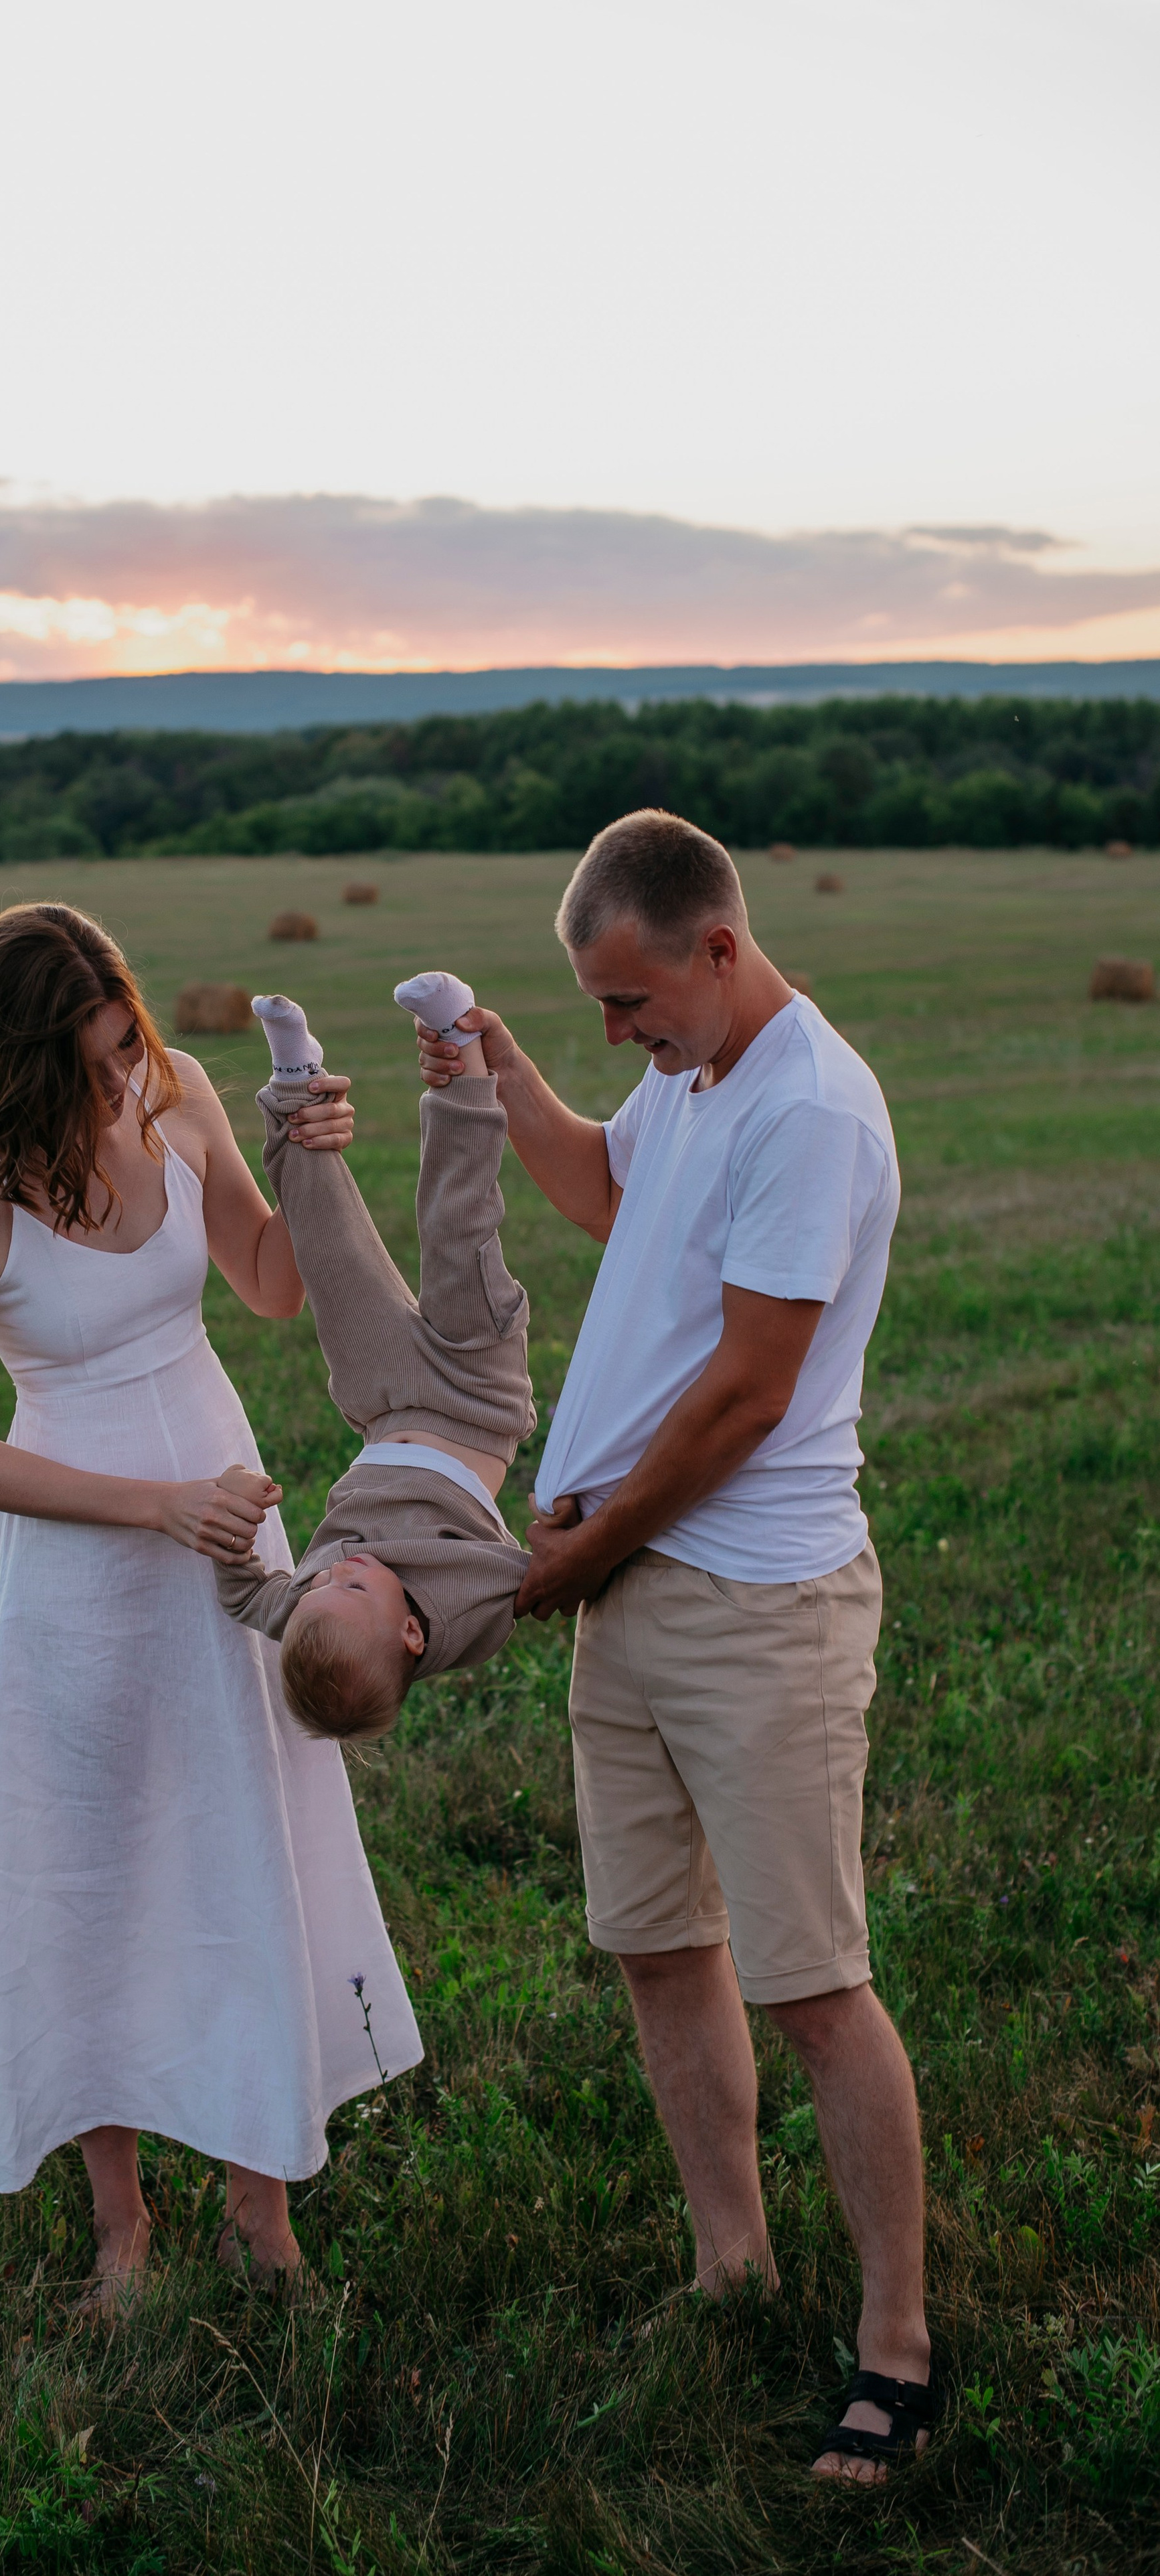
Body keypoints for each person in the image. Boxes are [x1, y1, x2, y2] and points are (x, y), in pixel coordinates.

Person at [418, 812, 930, 2484]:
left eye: (629, 1005)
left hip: (748, 1602)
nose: (615, 1036)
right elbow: (598, 1179)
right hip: (626, 1583)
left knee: (809, 1981)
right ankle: (730, 2263)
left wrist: (575, 1559)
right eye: (592, 1010)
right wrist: (494, 1062)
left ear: (716, 946)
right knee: (655, 1944)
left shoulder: (806, 1107)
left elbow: (742, 1394)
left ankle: (893, 2345)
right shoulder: (694, 1078)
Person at [0, 902, 420, 2316]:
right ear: (16, 1067)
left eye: (126, 1038)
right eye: (89, 1059)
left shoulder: (177, 1091)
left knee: (239, 1834)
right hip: (78, 1566)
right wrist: (149, 1507)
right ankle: (120, 2228)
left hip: (231, 1529)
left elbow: (261, 1287)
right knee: (95, 1868)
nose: (122, 1074)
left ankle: (264, 2209)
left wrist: (306, 1173)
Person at [213, 976, 533, 1740]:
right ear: (412, 1636)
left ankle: (297, 1087)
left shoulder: (303, 1605)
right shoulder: (472, 1611)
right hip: (474, 1394)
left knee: (325, 1254)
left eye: (316, 1583)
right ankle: (461, 1055)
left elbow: (241, 1592)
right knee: (456, 1228)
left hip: (382, 1402)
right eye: (353, 1591)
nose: (334, 1571)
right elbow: (544, 1573)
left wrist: (230, 1524)